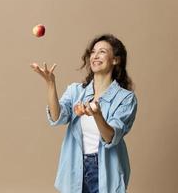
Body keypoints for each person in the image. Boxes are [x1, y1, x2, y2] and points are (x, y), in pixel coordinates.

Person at [30, 34, 138, 193]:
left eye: (102, 52)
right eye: (93, 52)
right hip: (75, 165)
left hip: (105, 170)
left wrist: (97, 114)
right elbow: (57, 117)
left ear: (116, 60)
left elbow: (111, 137)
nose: (95, 56)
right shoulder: (75, 91)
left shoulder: (126, 98)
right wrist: (51, 84)